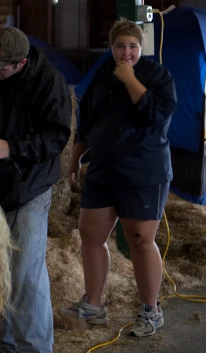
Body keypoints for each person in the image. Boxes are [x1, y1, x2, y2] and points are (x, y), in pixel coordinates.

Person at [60, 20, 177, 338]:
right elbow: (87, 122)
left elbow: (156, 114)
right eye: (120, 46)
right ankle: (94, 305)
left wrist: (129, 79)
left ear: (141, 48)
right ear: (111, 48)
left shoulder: (157, 76)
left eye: (133, 47)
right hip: (103, 168)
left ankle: (150, 310)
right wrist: (76, 156)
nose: (126, 52)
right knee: (90, 235)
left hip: (143, 170)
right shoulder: (101, 75)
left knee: (140, 239)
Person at [0, 27, 72, 353]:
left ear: (20, 63)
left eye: (0, 66)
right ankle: (5, 344)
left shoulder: (49, 83)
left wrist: (13, 147)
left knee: (24, 273)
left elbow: (56, 137)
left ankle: (35, 348)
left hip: (30, 188)